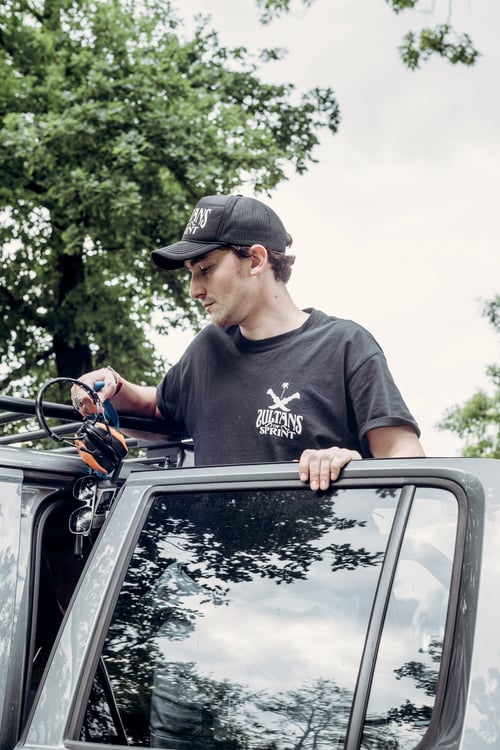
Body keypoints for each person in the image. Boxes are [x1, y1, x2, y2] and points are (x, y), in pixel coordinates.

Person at [72, 193, 424, 490]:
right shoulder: (208, 349)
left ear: (255, 260)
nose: (195, 290)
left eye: (205, 269)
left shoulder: (344, 346)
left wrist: (351, 462)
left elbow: (404, 455)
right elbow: (160, 410)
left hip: (322, 569)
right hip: (215, 570)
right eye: (191, 274)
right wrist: (113, 386)